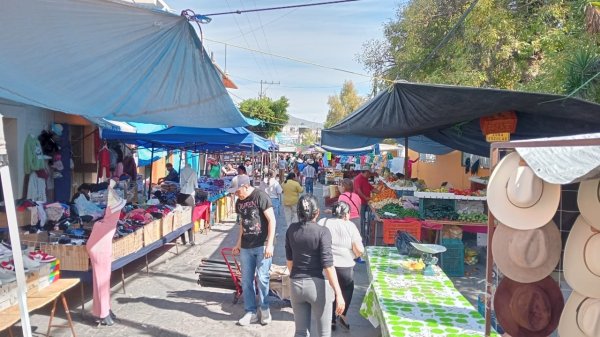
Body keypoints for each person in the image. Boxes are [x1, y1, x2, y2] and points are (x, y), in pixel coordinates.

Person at [285, 195, 345, 337]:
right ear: (317, 212)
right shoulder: (322, 232)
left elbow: (289, 261)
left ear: (298, 212)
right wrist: (339, 293)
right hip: (318, 286)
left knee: (300, 332)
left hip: (296, 284)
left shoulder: (291, 230)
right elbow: (328, 266)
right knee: (324, 333)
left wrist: (295, 278)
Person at [230, 174, 276, 326]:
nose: (237, 194)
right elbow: (243, 223)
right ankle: (250, 311)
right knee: (246, 281)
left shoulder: (260, 196)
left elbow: (272, 220)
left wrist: (269, 244)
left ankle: (264, 309)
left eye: (238, 191)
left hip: (262, 245)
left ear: (245, 186)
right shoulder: (239, 202)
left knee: (262, 279)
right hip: (246, 246)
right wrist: (238, 243)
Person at [317, 201, 364, 331]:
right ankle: (342, 314)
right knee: (346, 289)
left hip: (326, 265)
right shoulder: (350, 226)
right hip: (345, 266)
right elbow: (359, 249)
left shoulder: (323, 222)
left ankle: (331, 318)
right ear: (346, 214)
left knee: (329, 290)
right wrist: (354, 254)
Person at [353, 170, 373, 240]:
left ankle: (366, 233)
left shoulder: (365, 178)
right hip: (360, 202)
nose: (369, 175)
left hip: (366, 201)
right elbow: (358, 191)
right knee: (361, 219)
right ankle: (361, 235)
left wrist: (375, 190)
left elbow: (368, 186)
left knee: (365, 218)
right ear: (364, 172)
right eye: (368, 174)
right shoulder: (357, 179)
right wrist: (365, 197)